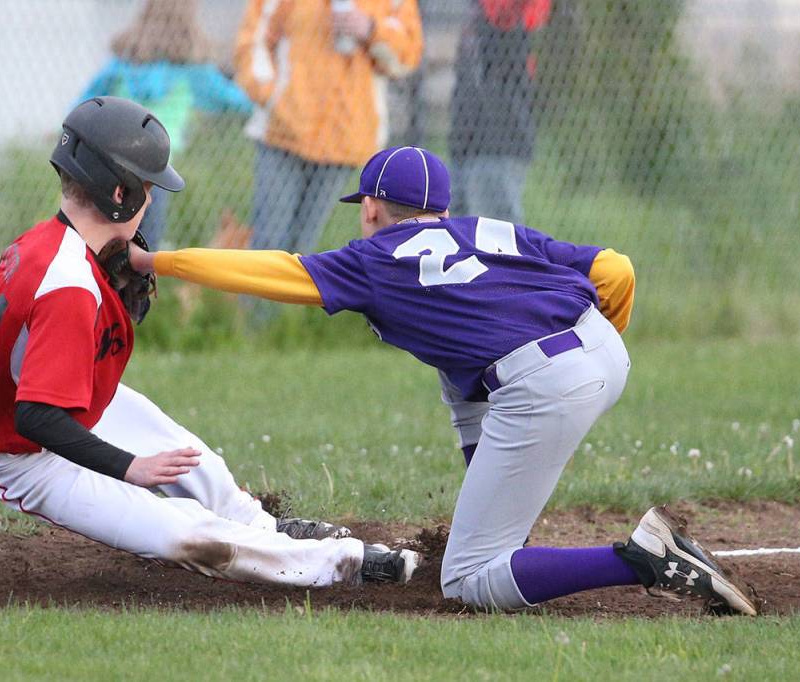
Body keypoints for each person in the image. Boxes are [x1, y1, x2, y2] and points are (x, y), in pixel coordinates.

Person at [134, 146, 758, 615]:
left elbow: (278, 271)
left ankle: (642, 561)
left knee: (468, 581)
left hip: (544, 381)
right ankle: (498, 524)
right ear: (443, 211)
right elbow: (614, 268)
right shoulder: (488, 232)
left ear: (372, 208)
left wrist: (156, 259)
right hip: (599, 346)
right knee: (458, 377)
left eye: (365, 210)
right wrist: (595, 356)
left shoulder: (374, 258)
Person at [0, 97, 420, 589]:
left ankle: (264, 528)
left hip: (66, 402)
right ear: (118, 193)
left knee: (196, 461)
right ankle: (343, 564)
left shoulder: (45, 242)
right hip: (25, 456)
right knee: (182, 536)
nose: (151, 200)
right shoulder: (70, 286)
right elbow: (36, 416)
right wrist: (129, 467)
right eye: (147, 188)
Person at [233, 0, 423, 255]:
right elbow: (253, 38)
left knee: (304, 247)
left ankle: (294, 295)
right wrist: (272, 97)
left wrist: (370, 29)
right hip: (283, 131)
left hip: (346, 136)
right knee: (269, 240)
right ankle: (256, 295)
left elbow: (406, 56)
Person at [77, 0, 253, 247]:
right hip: (154, 165)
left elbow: (86, 102)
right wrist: (264, 95)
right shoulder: (191, 69)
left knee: (103, 236)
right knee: (146, 241)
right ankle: (137, 280)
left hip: (110, 159)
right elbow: (232, 100)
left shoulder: (123, 62)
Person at [450, 0, 551, 224]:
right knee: (457, 233)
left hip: (500, 138)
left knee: (494, 237)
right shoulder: (477, 15)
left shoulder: (510, 16)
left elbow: (507, 14)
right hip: (464, 137)